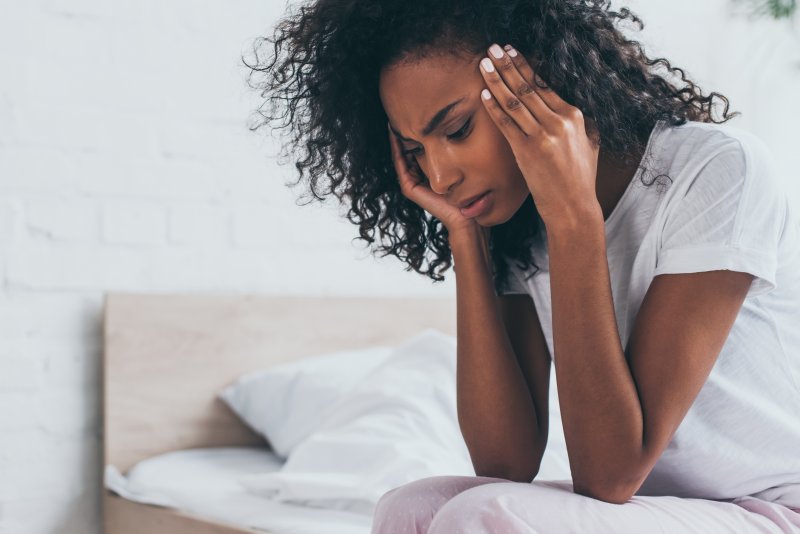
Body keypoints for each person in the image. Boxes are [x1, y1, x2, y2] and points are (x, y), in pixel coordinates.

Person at [246, 0, 800, 531]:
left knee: (483, 519)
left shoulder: (717, 170)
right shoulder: (521, 223)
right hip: (659, 511)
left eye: (457, 130)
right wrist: (466, 238)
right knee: (406, 509)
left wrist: (574, 219)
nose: (439, 177)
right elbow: (505, 463)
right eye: (416, 151)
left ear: (539, 83)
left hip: (774, 507)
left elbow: (609, 473)